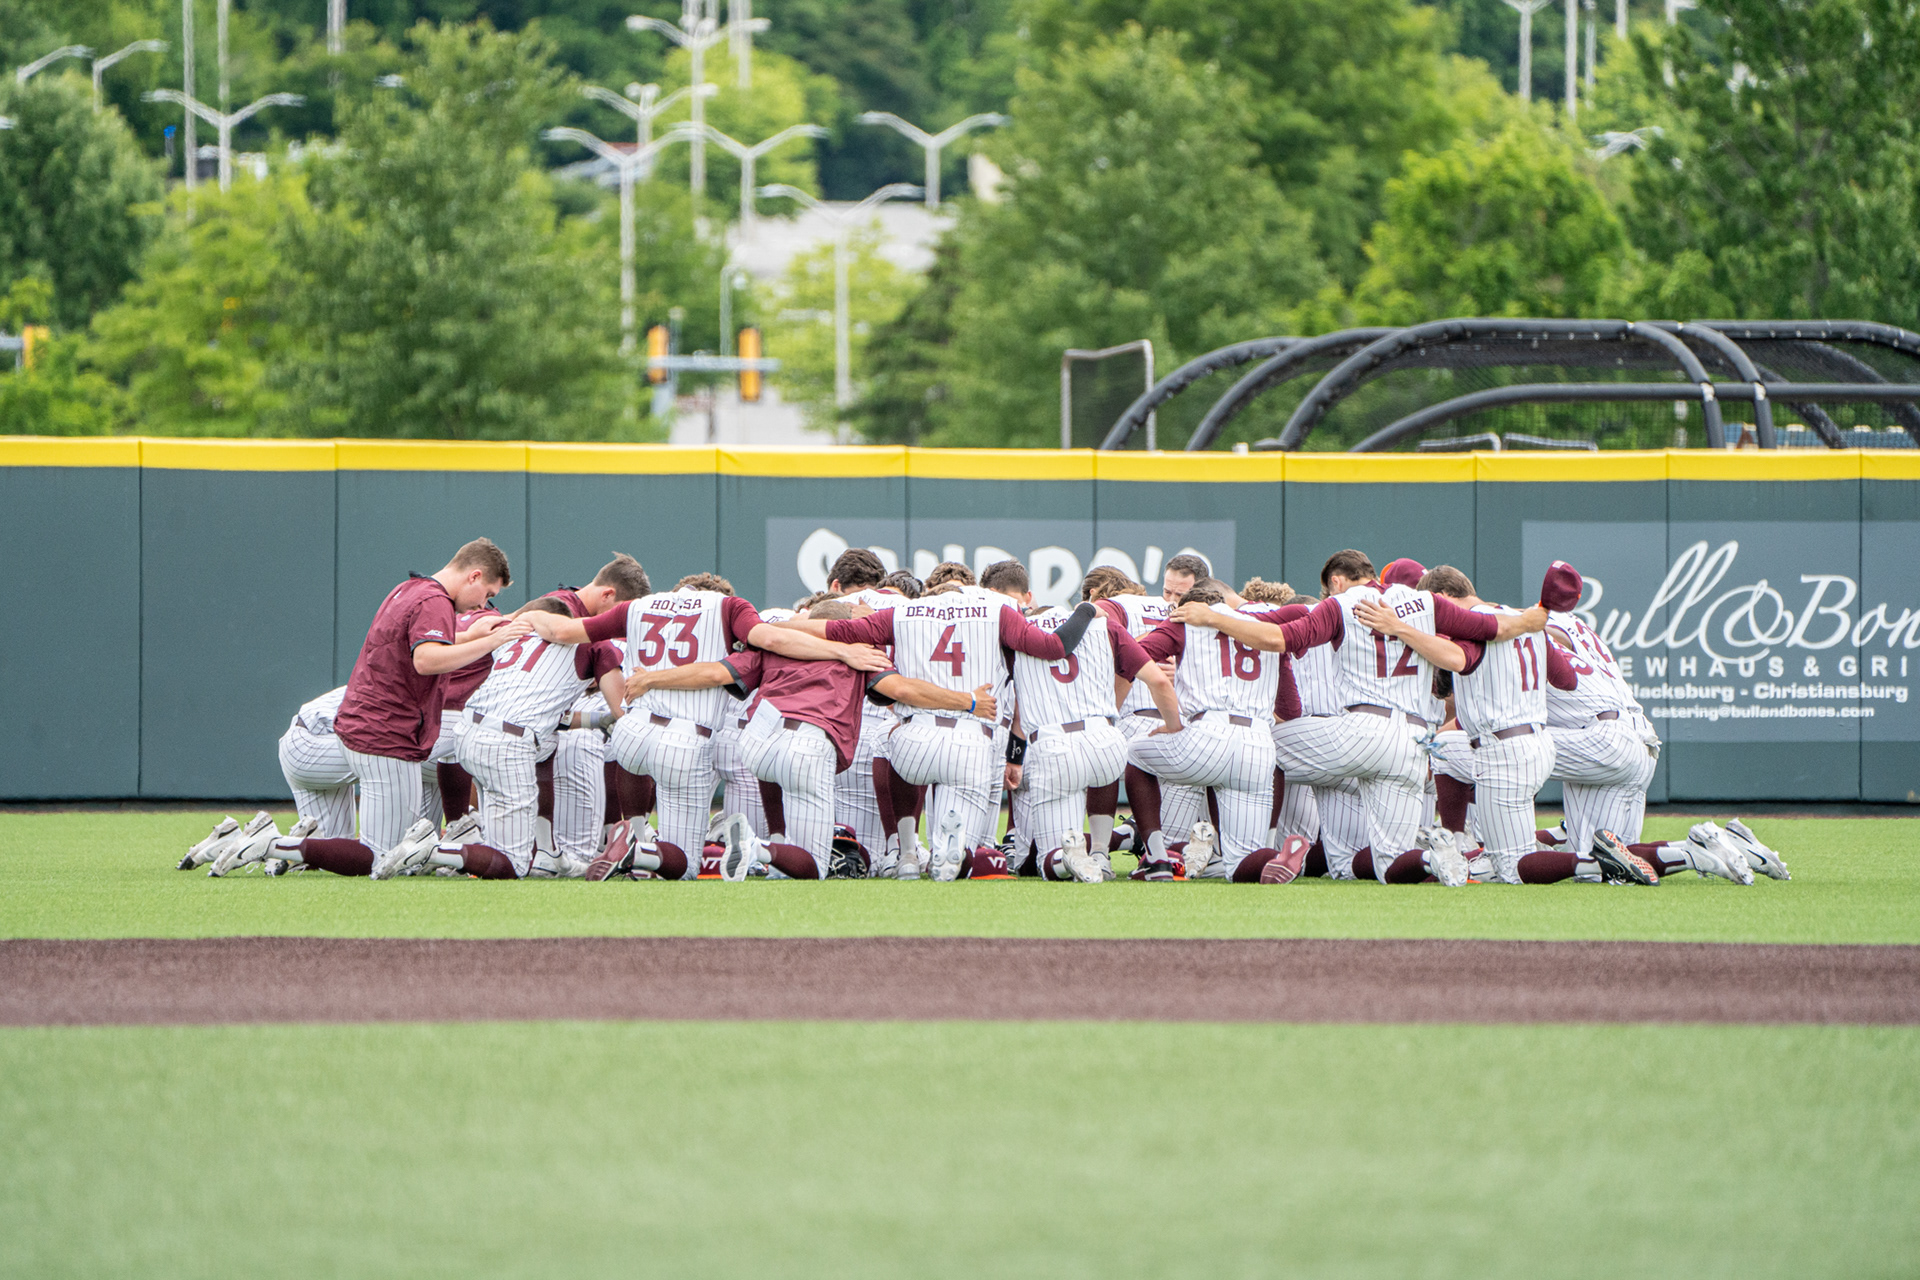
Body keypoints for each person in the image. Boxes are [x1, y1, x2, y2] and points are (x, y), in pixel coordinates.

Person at [1177, 549, 1541, 887]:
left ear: (1336, 580)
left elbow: (1276, 639)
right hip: (1412, 743)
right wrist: (1533, 616)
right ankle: (1432, 857)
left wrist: (1212, 617)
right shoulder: (1427, 602)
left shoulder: (1340, 604)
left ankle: (1256, 850)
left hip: (1361, 729)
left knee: (1260, 744)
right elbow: (1496, 629)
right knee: (1391, 864)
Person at [521, 572, 883, 881]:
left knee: (631, 756)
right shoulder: (728, 607)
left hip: (632, 729)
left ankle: (634, 835)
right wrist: (843, 650)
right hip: (687, 737)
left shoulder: (637, 606)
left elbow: (563, 630)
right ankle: (653, 845)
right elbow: (766, 640)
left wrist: (517, 618)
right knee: (686, 863)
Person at [606, 600, 993, 881]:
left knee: (777, 773)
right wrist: (970, 701)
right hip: (808, 741)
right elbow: (904, 690)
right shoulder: (858, 654)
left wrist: (654, 678)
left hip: (757, 740)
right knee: (814, 864)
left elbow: (712, 673)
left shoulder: (776, 646)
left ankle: (651, 846)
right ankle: (759, 848)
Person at [790, 570, 1102, 880]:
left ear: (930, 595)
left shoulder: (901, 611)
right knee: (963, 849)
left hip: (915, 739)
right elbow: (1055, 647)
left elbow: (835, 630)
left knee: (886, 736)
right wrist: (1085, 610)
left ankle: (905, 849)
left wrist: (784, 624)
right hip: (972, 741)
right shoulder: (997, 611)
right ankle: (953, 852)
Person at [268, 539, 532, 877]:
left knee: (362, 851)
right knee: (387, 857)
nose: (484, 603)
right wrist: (489, 642)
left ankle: (284, 846)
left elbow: (416, 646)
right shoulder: (436, 600)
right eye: (488, 593)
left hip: (361, 724)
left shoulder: (410, 588)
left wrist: (469, 637)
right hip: (387, 732)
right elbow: (425, 659)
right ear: (474, 576)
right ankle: (269, 844)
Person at [372, 597, 627, 880]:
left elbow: (552, 715)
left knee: (546, 746)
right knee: (513, 866)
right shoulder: (597, 645)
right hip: (506, 743)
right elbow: (621, 710)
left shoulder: (518, 637)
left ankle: (528, 850)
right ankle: (433, 849)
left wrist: (597, 721)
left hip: (470, 732)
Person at [1128, 584, 1310, 884]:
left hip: (1208, 732)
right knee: (1240, 865)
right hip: (1258, 743)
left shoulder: (1185, 622)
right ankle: (1279, 854)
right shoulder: (1265, 622)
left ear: (1190, 606)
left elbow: (1137, 656)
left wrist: (1172, 723)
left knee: (1135, 752)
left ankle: (1157, 857)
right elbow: (1303, 611)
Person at [1007, 590, 1181, 882]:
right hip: (1105, 736)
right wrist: (1174, 727)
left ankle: (1067, 857)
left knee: (1048, 862)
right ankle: (1101, 853)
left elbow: (1016, 710)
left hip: (1053, 743)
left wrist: (1013, 754)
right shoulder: (1106, 625)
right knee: (1103, 765)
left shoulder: (1020, 632)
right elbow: (1159, 680)